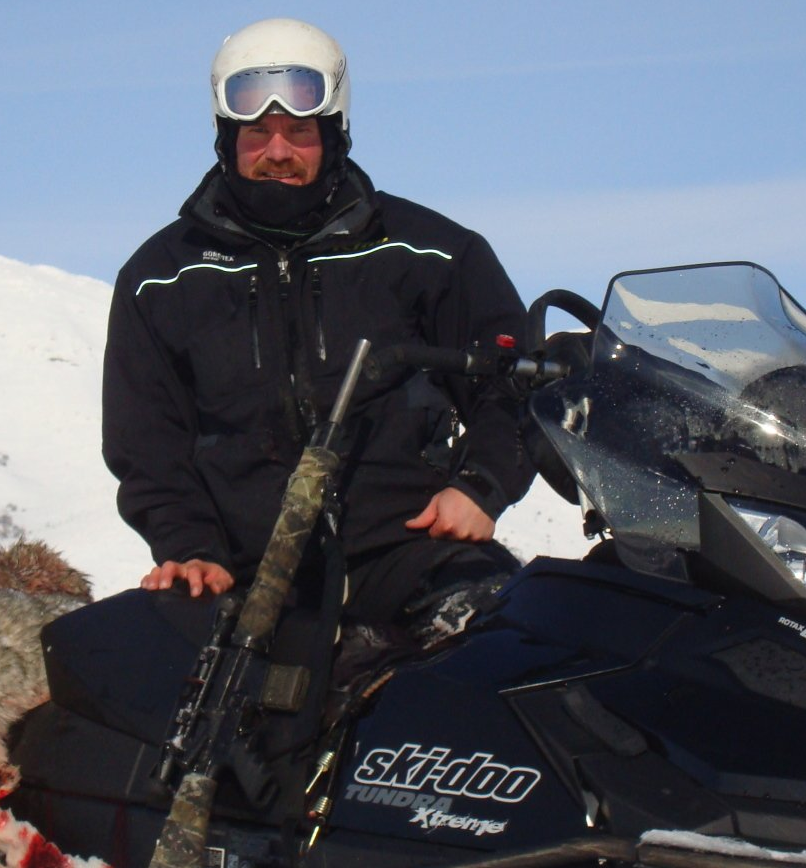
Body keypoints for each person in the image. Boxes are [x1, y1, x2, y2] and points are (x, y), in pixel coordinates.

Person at [102, 18, 534, 643]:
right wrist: (189, 546)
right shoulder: (161, 279)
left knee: (511, 648)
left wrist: (481, 487)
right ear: (226, 138)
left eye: (299, 132)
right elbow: (147, 446)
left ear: (334, 135)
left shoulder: (431, 253)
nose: (278, 152)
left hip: (411, 554)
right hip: (243, 578)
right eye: (257, 132)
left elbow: (515, 383)